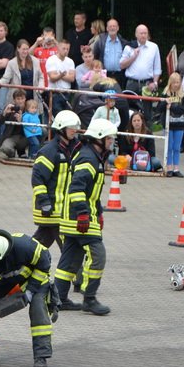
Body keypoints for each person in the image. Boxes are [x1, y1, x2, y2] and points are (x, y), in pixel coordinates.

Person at [52, 117, 116, 315]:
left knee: (70, 259)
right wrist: (83, 215)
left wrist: (100, 212)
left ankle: (59, 298)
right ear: (99, 139)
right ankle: (89, 298)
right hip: (80, 219)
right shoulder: (88, 158)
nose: (111, 141)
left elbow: (92, 192)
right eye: (109, 138)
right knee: (98, 256)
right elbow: (77, 189)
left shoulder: (93, 157)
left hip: (77, 217)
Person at [0, 230, 55, 367]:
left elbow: (44, 261)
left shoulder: (25, 247)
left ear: (0, 256)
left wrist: (30, 291)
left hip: (34, 277)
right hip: (9, 279)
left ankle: (41, 356)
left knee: (38, 306)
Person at [31, 109, 82, 251]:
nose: (75, 130)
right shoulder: (49, 151)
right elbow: (38, 179)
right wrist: (45, 202)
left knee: (37, 248)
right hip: (52, 209)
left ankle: (20, 265)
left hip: (62, 210)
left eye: (76, 127)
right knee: (70, 251)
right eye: (72, 127)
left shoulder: (76, 148)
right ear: (61, 129)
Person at [119, 24, 161, 99]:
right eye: (141, 33)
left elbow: (157, 68)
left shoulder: (154, 47)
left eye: (145, 33)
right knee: (130, 109)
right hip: (131, 83)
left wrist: (155, 83)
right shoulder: (129, 47)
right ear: (136, 34)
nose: (143, 35)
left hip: (147, 84)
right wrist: (133, 56)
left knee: (147, 109)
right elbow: (121, 65)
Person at [161, 72, 184, 177]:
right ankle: (169, 167)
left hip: (179, 124)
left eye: (178, 82)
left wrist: (172, 107)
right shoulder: (165, 94)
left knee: (176, 147)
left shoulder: (183, 94)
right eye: (174, 82)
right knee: (169, 147)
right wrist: (165, 104)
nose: (176, 84)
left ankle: (176, 168)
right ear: (170, 83)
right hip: (168, 124)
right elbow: (160, 107)